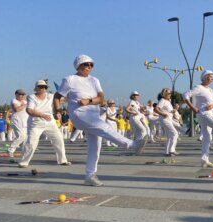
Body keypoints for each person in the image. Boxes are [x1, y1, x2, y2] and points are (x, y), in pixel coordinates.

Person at [54, 54, 145, 186]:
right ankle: (132, 145)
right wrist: (57, 111)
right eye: (86, 64)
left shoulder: (94, 80)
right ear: (78, 65)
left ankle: (90, 176)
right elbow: (57, 96)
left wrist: (89, 101)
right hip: (79, 114)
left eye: (91, 65)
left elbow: (101, 98)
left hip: (93, 113)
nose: (89, 67)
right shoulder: (69, 80)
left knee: (95, 145)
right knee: (104, 127)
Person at [18, 80, 71, 168]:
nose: (43, 88)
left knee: (59, 140)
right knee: (31, 143)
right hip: (36, 123)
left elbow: (62, 100)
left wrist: (59, 109)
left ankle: (62, 160)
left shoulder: (51, 96)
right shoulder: (31, 97)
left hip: (50, 122)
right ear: (37, 88)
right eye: (41, 87)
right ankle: (24, 162)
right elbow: (29, 110)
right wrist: (42, 115)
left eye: (45, 87)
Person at [154, 88, 179, 156]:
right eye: (168, 93)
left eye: (170, 93)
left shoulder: (168, 101)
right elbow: (156, 109)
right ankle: (172, 150)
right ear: (164, 94)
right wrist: (162, 114)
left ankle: (167, 152)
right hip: (165, 120)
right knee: (175, 133)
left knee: (170, 136)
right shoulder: (162, 100)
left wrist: (174, 111)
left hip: (169, 119)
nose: (169, 94)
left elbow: (168, 111)